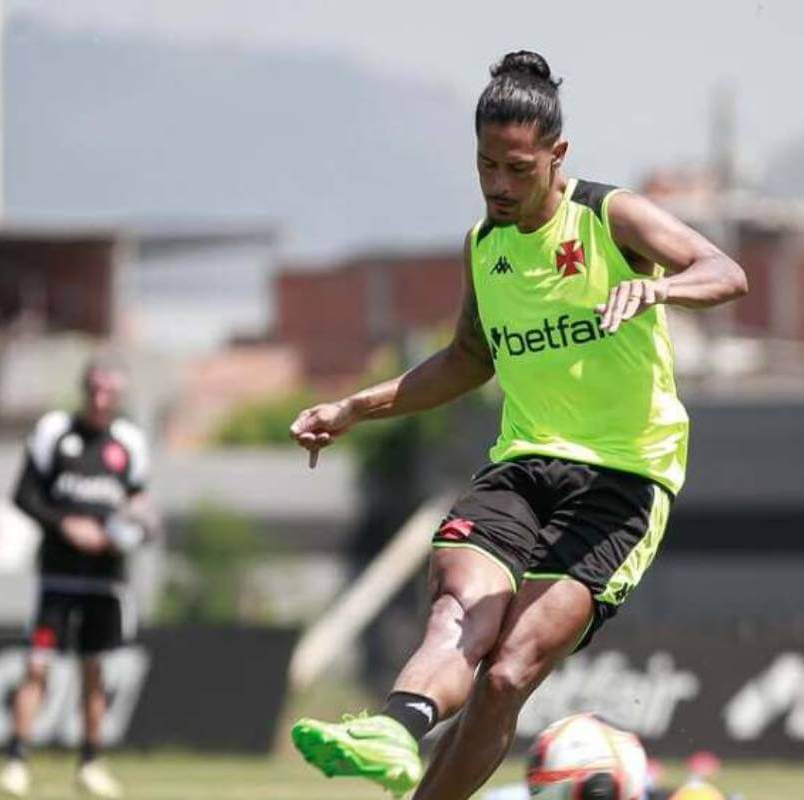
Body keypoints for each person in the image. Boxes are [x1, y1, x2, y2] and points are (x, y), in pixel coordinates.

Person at [288, 50, 747, 799]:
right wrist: (353, 408)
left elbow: (726, 271)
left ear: (557, 155)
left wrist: (661, 294)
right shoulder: (485, 246)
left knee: (507, 673)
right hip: (521, 467)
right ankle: (394, 730)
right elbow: (467, 360)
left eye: (517, 167)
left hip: (625, 481)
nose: (499, 185)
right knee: (457, 612)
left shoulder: (608, 215)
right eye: (485, 165)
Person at [0, 358, 153, 799]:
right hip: (58, 577)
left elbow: (140, 505)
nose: (102, 400)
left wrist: (132, 530)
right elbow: (23, 495)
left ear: (118, 397)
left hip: (105, 581)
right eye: (95, 391)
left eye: (110, 393)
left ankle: (90, 763)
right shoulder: (54, 433)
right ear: (84, 391)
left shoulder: (128, 443)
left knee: (94, 671)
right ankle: (16, 762)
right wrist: (65, 525)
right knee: (36, 667)